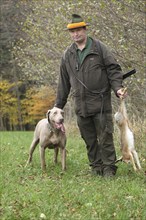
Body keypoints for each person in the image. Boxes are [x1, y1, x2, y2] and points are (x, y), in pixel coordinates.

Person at [54, 14, 126, 177]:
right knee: (89, 140)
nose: (75, 34)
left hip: (100, 104)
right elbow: (63, 82)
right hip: (81, 106)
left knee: (105, 138)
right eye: (72, 32)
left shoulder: (99, 48)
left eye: (78, 30)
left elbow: (113, 70)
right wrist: (58, 105)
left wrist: (118, 89)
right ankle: (96, 168)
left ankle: (109, 170)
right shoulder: (67, 54)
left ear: (85, 30)